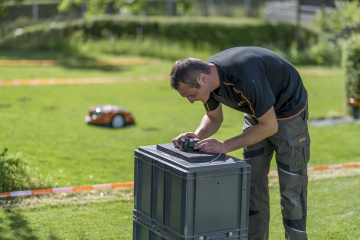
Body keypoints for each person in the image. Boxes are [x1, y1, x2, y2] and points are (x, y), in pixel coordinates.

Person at [170, 47, 310, 240]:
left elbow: (270, 126)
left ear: (202, 78)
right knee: (251, 184)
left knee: (291, 189)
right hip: (257, 113)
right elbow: (213, 117)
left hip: (289, 114)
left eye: (191, 95)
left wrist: (224, 146)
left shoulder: (244, 76)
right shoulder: (208, 78)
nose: (191, 101)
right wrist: (197, 135)